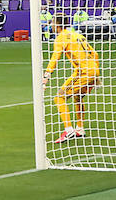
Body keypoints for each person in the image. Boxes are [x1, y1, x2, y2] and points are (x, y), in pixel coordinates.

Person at [43, 12, 100, 143]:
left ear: (57, 24)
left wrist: (46, 75)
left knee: (59, 97)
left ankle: (68, 130)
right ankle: (80, 128)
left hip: (83, 72)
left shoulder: (61, 38)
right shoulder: (77, 34)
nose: (50, 25)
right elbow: (94, 54)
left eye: (52, 22)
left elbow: (55, 58)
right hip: (93, 70)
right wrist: (96, 75)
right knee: (77, 96)